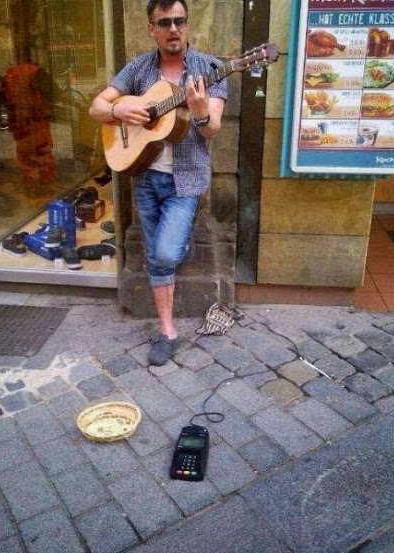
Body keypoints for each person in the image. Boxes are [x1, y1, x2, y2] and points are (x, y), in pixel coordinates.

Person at [89, 0, 227, 366]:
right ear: (152, 28)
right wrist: (118, 109)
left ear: (187, 24)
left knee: (165, 253)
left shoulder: (210, 69)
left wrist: (198, 114)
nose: (173, 29)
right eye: (164, 22)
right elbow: (96, 107)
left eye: (179, 21)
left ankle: (178, 246)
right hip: (145, 177)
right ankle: (167, 331)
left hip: (185, 182)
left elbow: (212, 131)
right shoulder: (137, 69)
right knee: (155, 257)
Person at [0, 57, 57, 194]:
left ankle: (30, 186)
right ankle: (45, 187)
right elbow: (52, 92)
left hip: (19, 123)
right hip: (36, 121)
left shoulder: (10, 74)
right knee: (42, 152)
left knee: (24, 156)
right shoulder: (34, 72)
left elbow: (3, 98)